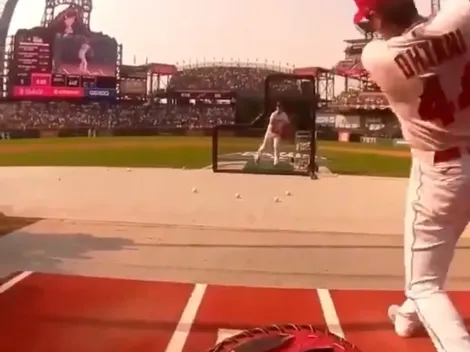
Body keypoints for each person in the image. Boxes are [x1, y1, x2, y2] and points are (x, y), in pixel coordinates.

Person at [354, 0, 470, 350]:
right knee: (426, 262)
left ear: (376, 16)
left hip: (441, 172)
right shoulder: (461, 18)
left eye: (369, 20)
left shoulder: (376, 57)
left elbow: (404, 39)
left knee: (424, 285)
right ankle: (408, 318)